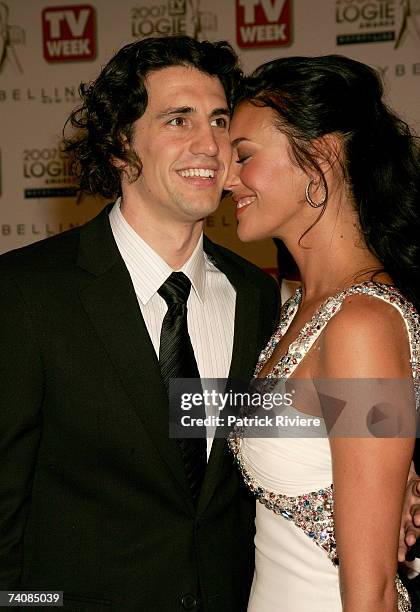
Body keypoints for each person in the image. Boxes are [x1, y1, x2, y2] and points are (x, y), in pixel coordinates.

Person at [0, 36, 280, 611]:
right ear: (121, 148)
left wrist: (392, 459)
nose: (210, 144)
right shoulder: (26, 293)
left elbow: (283, 430)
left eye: (220, 120)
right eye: (179, 120)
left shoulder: (257, 296)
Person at [225, 55, 420, 611]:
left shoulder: (361, 326)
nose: (227, 178)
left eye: (244, 156)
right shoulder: (301, 309)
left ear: (321, 156)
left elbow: (372, 593)